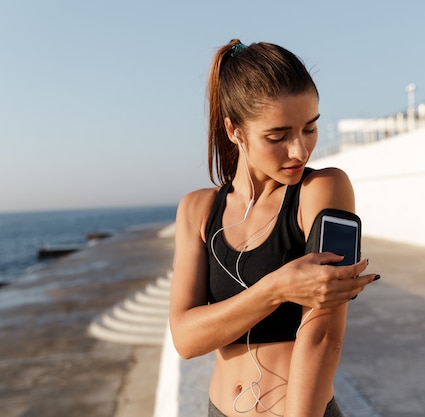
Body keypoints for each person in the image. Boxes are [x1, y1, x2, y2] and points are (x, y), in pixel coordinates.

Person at [170, 39, 380, 417]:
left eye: (310, 128)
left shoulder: (323, 190)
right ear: (235, 131)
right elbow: (185, 338)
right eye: (278, 136)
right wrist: (277, 286)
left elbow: (323, 336)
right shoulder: (197, 210)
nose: (300, 150)